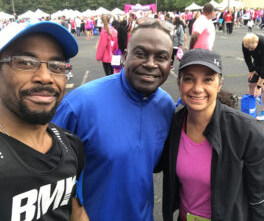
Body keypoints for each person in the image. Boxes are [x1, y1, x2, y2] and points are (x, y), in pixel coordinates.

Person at [52, 17, 175, 221]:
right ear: (125, 56)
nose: (151, 64)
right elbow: (47, 177)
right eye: (140, 54)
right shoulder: (79, 105)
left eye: (161, 57)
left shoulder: (166, 106)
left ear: (170, 64)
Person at [161, 49, 264, 221]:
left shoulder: (246, 131)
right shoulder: (174, 125)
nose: (197, 88)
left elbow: (260, 198)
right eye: (189, 79)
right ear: (179, 84)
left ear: (219, 85)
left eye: (208, 79)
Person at [0, 21, 88, 220]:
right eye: (25, 62)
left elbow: (77, 213)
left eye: (56, 66)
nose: (45, 77)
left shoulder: (71, 145)